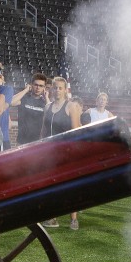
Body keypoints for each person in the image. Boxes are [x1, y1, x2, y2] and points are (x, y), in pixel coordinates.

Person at [42, 76, 83, 229]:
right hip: (50, 153)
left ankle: (73, 219)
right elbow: (43, 130)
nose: (57, 90)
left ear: (65, 90)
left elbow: (76, 131)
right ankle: (53, 218)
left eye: (60, 88)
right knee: (52, 185)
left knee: (69, 185)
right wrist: (39, 147)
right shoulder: (47, 107)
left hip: (66, 153)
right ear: (51, 89)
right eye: (55, 87)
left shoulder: (71, 106)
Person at [11, 73, 49, 146]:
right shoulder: (24, 98)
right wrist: (26, 90)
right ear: (31, 85)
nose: (38, 88)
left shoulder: (45, 103)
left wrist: (46, 97)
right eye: (36, 85)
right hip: (22, 141)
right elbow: (11, 102)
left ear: (44, 88)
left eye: (41, 86)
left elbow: (50, 113)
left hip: (38, 142)